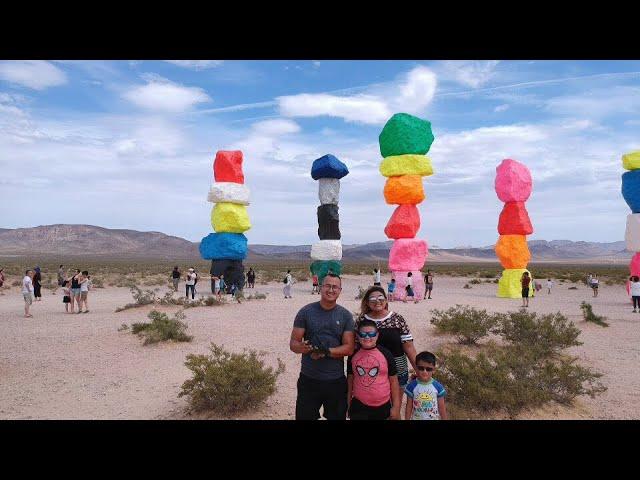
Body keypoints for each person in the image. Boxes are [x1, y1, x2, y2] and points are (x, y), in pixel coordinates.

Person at [289, 273, 355, 420]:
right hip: (308, 379)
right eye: (327, 286)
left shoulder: (345, 316)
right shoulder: (305, 312)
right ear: (320, 287)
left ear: (340, 290)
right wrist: (302, 347)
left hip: (335, 381)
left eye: (335, 287)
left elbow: (349, 348)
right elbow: (293, 344)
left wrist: (325, 352)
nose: (331, 290)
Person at [356, 285, 417, 405]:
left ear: (386, 299)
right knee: (374, 406)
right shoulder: (361, 320)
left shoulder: (397, 319)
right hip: (371, 371)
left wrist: (419, 370)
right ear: (367, 302)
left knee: (395, 407)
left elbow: (408, 346)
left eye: (380, 298)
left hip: (398, 369)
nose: (377, 301)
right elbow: (356, 347)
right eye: (372, 299)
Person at [347, 319, 401, 420]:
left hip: (382, 405)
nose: (367, 337)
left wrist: (396, 406)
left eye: (371, 334)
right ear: (357, 335)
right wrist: (348, 403)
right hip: (359, 405)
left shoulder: (386, 354)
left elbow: (394, 382)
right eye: (363, 334)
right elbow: (350, 381)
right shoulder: (353, 354)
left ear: (377, 335)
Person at [405, 351, 447, 420]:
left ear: (433, 370)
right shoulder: (411, 386)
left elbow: (441, 407)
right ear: (416, 368)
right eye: (421, 368)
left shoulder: (438, 387)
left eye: (428, 369)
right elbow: (409, 406)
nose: (425, 371)